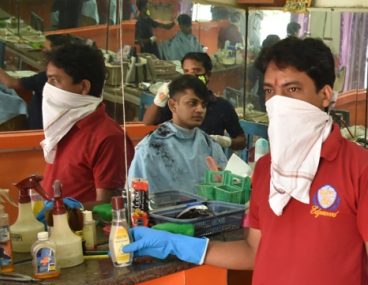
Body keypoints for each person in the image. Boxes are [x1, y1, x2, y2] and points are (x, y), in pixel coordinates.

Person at [124, 37, 368, 285]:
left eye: (293, 89)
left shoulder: (363, 169)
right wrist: (180, 245)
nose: (279, 102)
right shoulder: (268, 169)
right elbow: (256, 252)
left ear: (325, 95)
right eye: (270, 91)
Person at [41, 43, 134, 204]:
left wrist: (60, 212)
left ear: (84, 86)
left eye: (55, 80)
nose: (47, 88)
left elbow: (108, 208)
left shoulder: (109, 138)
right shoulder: (62, 126)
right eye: (48, 80)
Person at [128, 75, 227, 194]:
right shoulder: (151, 148)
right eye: (192, 103)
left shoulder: (209, 144)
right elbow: (137, 200)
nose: (200, 109)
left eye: (203, 104)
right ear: (173, 105)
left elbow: (224, 187)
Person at [143, 52, 246, 150]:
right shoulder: (178, 103)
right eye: (186, 71)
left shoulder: (222, 106)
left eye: (196, 71)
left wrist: (225, 141)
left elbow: (241, 141)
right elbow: (148, 122)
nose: (191, 76)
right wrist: (160, 99)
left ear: (208, 75)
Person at [0, 34, 79, 130]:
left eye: (46, 50)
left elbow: (11, 83)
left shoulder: (44, 79)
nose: (43, 51)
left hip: (38, 132)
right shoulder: (65, 76)